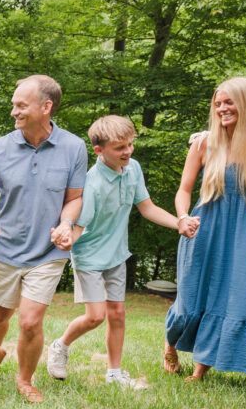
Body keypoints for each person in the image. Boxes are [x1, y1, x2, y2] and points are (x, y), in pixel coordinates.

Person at [45, 115, 200, 390]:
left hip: (117, 254)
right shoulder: (91, 183)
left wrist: (178, 222)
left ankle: (114, 373)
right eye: (120, 148)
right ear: (99, 151)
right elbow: (80, 226)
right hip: (90, 256)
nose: (128, 151)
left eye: (130, 144)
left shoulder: (133, 169)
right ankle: (59, 346)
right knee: (95, 316)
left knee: (117, 313)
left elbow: (147, 207)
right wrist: (67, 239)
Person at [0, 75, 87, 403]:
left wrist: (66, 223)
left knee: (31, 321)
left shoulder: (73, 147)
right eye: (14, 105)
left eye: (21, 105)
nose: (13, 112)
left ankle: (25, 379)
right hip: (6, 248)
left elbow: (74, 198)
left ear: (46, 107)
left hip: (48, 252)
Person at [164, 77, 246, 381]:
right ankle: (170, 346)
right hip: (202, 228)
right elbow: (184, 190)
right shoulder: (204, 142)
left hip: (243, 233)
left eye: (229, 102)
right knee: (190, 298)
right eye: (218, 103)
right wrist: (182, 217)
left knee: (229, 297)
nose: (222, 108)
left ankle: (200, 370)